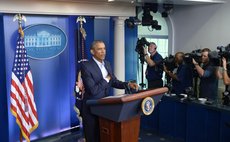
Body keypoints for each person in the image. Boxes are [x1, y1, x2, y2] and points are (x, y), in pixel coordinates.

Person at [81, 40, 139, 142]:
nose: (103, 51)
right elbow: (94, 90)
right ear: (92, 51)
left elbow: (114, 82)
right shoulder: (86, 66)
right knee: (92, 137)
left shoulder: (107, 64)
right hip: (91, 108)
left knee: (104, 136)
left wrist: (128, 84)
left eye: (104, 49)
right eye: (99, 49)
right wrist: (107, 79)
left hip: (105, 107)